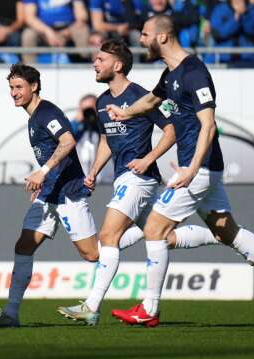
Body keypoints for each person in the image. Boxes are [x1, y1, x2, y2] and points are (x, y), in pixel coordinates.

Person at [104, 15, 254, 326]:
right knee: (227, 230)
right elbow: (150, 101)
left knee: (154, 229)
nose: (140, 40)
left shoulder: (194, 72)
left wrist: (191, 169)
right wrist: (126, 111)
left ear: (162, 37)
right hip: (198, 167)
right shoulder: (171, 73)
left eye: (144, 35)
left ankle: (149, 308)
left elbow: (209, 127)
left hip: (198, 168)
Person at [0, 63, 146, 328]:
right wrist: (44, 184)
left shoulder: (47, 112)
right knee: (24, 246)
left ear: (34, 87)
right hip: (49, 194)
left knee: (93, 255)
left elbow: (68, 141)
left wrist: (42, 172)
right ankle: (11, 314)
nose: (13, 93)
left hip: (67, 193)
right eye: (11, 88)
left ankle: (147, 230)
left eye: (19, 87)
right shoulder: (33, 117)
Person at [56, 39, 178, 325]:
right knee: (161, 235)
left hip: (140, 178)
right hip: (125, 177)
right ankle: (222, 234)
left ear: (118, 65)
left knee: (108, 237)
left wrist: (148, 159)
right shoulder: (102, 102)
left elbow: (171, 131)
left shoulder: (142, 96)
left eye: (100, 59)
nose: (94, 63)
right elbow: (107, 140)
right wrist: (94, 172)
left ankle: (91, 306)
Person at [21, 0, 90, 63]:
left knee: (83, 30)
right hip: (43, 29)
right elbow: (30, 18)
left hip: (69, 28)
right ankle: (29, 71)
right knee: (28, 34)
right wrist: (47, 31)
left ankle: (85, 66)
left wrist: (66, 32)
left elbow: (82, 17)